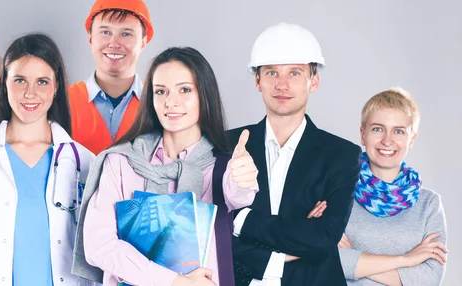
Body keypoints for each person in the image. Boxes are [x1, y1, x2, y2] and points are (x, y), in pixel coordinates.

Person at [72, 46, 259, 286]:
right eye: (161, 91)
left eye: (185, 90)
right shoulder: (122, 162)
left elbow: (239, 195)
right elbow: (99, 245)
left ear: (205, 95)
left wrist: (244, 178)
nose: (171, 102)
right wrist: (174, 281)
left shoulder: (221, 167)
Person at [0, 33, 95, 286]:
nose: (30, 93)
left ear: (56, 86)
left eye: (42, 81)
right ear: (4, 82)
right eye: (20, 80)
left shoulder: (84, 162)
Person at [228, 22, 362, 286]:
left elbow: (324, 237)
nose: (282, 85)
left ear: (314, 81)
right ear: (258, 80)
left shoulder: (342, 155)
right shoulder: (228, 143)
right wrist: (297, 236)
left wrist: (242, 220)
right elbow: (213, 236)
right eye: (272, 73)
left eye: (294, 73)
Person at [338, 88, 448, 285]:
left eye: (398, 131)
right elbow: (328, 259)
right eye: (378, 129)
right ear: (363, 134)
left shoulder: (428, 203)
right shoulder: (337, 192)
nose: (387, 141)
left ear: (411, 139)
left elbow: (429, 279)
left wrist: (356, 260)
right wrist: (405, 260)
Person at [68, 0, 154, 155]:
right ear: (91, 39)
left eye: (126, 33)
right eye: (105, 32)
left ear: (143, 42)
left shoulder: (157, 103)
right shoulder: (64, 100)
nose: (114, 43)